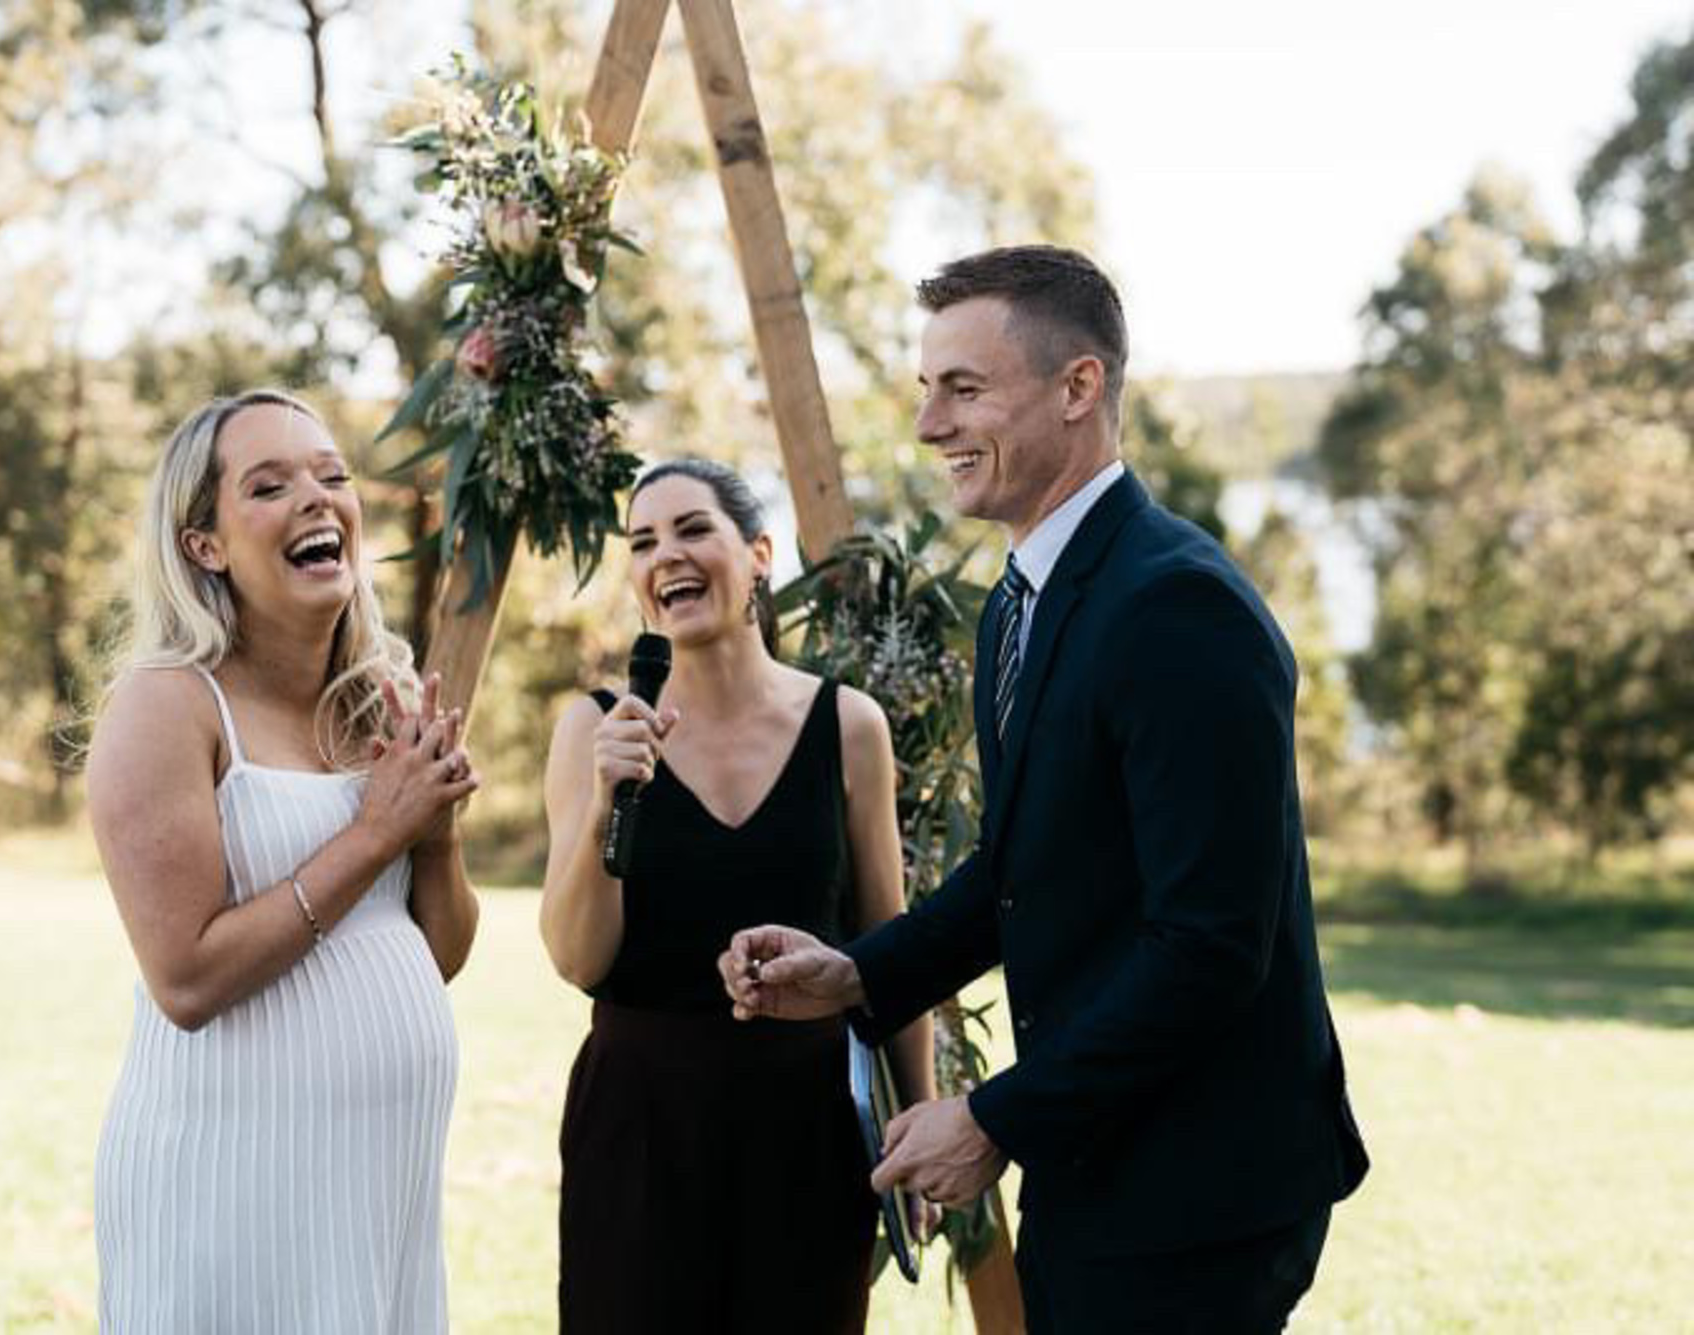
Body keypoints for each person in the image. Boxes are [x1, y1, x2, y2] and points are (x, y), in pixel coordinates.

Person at [720, 247, 1369, 1333]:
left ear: (1077, 390)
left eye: (962, 389)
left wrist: (993, 1117)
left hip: (1200, 1192)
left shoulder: (1176, 606)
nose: (928, 426)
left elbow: (1209, 942)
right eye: (926, 391)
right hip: (1102, 1164)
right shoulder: (1020, 604)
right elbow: (1026, 868)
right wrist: (856, 974)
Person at [86, 389, 480, 1334]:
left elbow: (442, 953)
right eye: (269, 485)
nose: (317, 497)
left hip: (378, 1192)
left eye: (333, 476)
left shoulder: (379, 696)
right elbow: (186, 977)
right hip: (234, 1183)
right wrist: (376, 833)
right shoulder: (166, 706)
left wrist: (436, 830)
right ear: (204, 544)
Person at [538, 458, 934, 1334]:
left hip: (808, 1132)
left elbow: (891, 945)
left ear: (757, 554)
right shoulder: (590, 729)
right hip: (640, 1129)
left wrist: (916, 1122)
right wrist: (611, 793)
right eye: (642, 541)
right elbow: (576, 958)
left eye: (691, 529)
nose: (664, 555)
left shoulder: (850, 725)